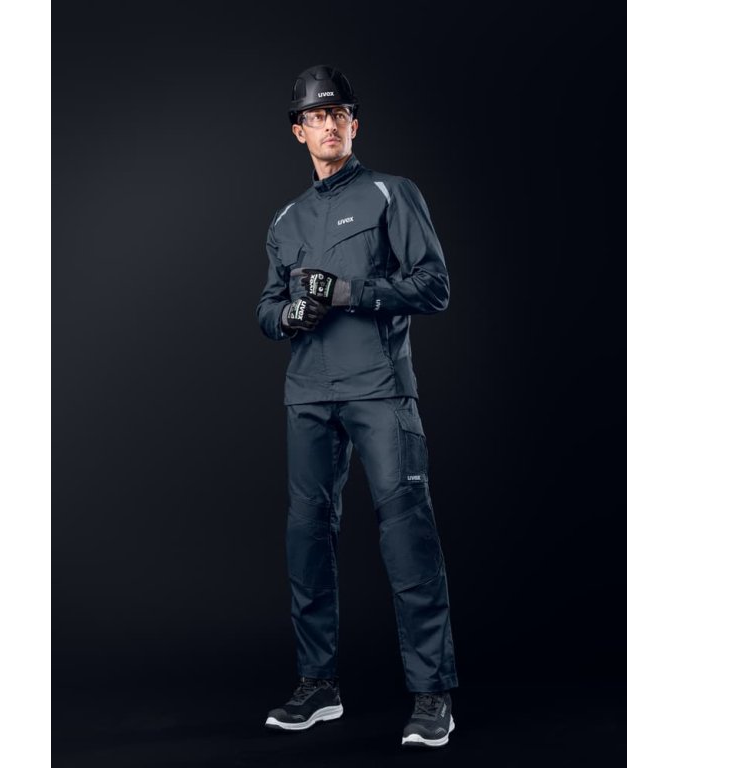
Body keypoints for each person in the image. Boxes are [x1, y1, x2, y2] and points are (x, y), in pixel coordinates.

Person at [256, 64, 459, 749]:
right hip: (308, 395)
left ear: (354, 124)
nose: (329, 125)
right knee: (306, 539)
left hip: (379, 389)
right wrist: (289, 313)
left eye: (338, 113)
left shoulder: (390, 193)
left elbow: (434, 286)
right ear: (299, 132)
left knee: (407, 536)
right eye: (315, 116)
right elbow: (264, 308)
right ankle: (318, 686)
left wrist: (351, 294)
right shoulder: (285, 220)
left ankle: (432, 696)